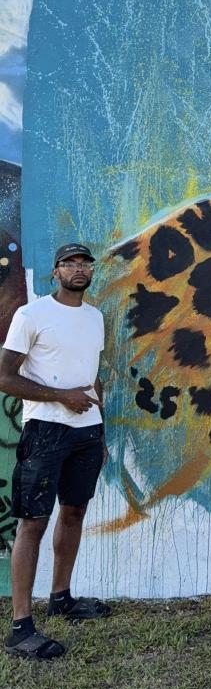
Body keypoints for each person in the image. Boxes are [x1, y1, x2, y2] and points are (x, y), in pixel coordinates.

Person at [1, 244, 110, 660]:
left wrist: (101, 433)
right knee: (33, 522)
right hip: (45, 431)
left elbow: (93, 378)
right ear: (56, 272)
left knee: (74, 511)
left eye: (84, 264)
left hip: (86, 432)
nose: (78, 269)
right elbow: (4, 377)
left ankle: (61, 599)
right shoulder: (31, 315)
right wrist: (61, 396)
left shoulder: (95, 317)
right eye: (70, 264)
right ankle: (21, 628)